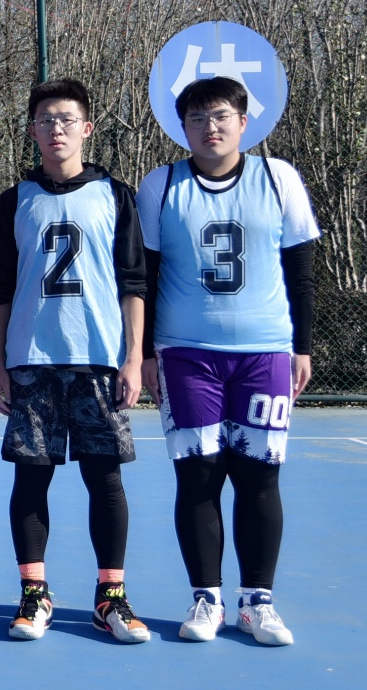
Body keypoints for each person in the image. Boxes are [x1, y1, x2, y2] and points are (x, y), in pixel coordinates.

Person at [138, 76, 318, 647]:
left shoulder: (278, 178)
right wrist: (143, 353)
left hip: (264, 352)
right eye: (196, 119)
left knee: (260, 476)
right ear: (182, 128)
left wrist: (302, 346)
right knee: (198, 475)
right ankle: (207, 598)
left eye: (220, 116)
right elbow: (145, 276)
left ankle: (257, 602)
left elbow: (301, 272)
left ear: (243, 122)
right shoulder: (162, 184)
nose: (209, 127)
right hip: (185, 354)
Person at [0, 79, 149, 643]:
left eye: (66, 119)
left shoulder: (115, 194)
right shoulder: (14, 200)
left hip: (99, 360)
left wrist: (134, 358)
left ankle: (111, 598)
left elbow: (134, 282)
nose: (56, 129)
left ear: (87, 128)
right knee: (32, 479)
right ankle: (34, 594)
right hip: (32, 360)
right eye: (46, 120)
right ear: (32, 130)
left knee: (105, 479)